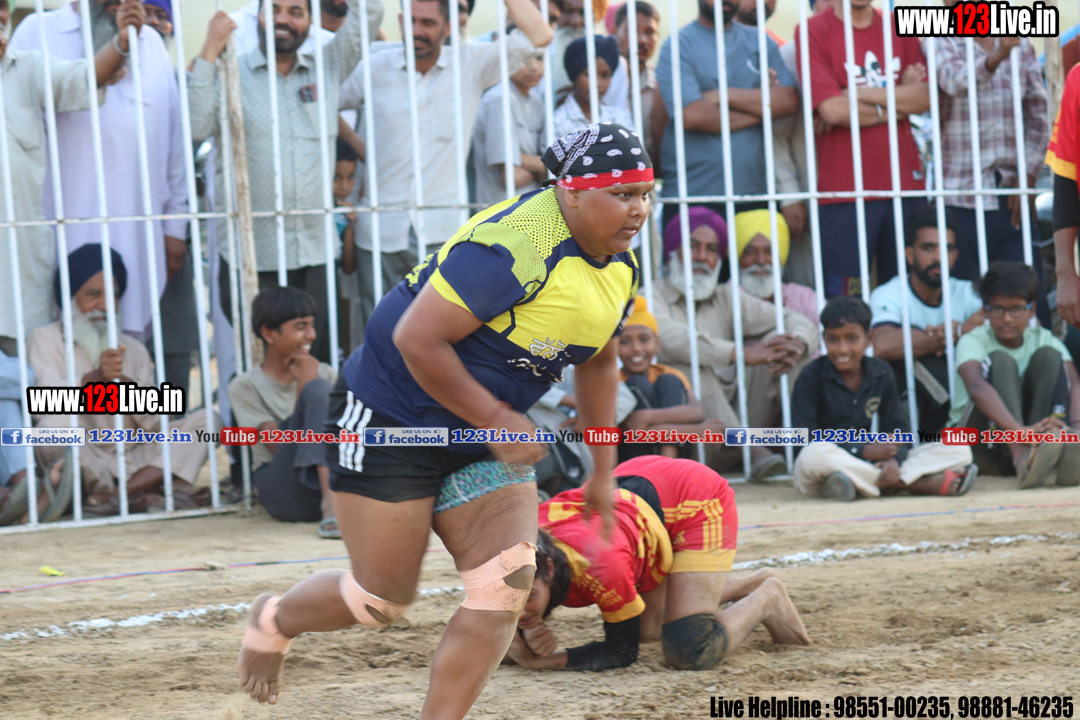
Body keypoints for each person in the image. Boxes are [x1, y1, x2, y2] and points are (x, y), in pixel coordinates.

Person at [233, 124, 648, 716]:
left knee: (504, 588)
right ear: (571, 193)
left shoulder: (620, 266)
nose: (638, 210)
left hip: (482, 436)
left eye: (644, 194)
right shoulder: (513, 246)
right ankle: (273, 619)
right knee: (380, 601)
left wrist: (603, 470)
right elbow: (415, 339)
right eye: (622, 194)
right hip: (390, 417)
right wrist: (496, 416)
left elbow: (600, 360)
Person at [337, 0, 553, 338]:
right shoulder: (375, 68)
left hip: (441, 230)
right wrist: (357, 145)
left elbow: (539, 35)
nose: (417, 31)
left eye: (428, 23)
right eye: (411, 21)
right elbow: (326, 101)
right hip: (380, 226)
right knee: (379, 332)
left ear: (448, 27)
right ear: (400, 22)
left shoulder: (471, 63)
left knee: (436, 337)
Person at [189, 0, 383, 363]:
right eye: (274, 9)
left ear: (310, 20)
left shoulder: (327, 66)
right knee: (262, 363)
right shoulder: (231, 71)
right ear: (258, 16)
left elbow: (369, 14)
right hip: (252, 252)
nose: (283, 19)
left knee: (314, 359)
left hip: (314, 249)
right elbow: (196, 127)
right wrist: (209, 50)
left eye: (295, 12)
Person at [509, 455, 810, 671]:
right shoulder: (512, 548)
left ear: (550, 570)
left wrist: (540, 660)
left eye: (530, 596)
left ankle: (768, 597)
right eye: (514, 598)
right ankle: (747, 583)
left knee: (689, 648)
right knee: (647, 630)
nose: (519, 610)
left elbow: (622, 651)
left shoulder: (600, 568)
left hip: (694, 499)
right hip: (634, 494)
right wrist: (525, 629)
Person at [10, 0, 191, 340]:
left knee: (128, 355)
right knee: (57, 353)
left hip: (137, 232)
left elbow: (174, 142)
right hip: (57, 229)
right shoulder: (38, 32)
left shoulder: (151, 43)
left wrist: (175, 227)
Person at [27, 245, 218, 516]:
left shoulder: (133, 348)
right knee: (50, 430)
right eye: (93, 294)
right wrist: (92, 379)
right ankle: (140, 493)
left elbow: (157, 424)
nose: (105, 306)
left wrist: (126, 387)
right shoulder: (45, 340)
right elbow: (43, 408)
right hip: (88, 458)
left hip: (139, 455)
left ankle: (115, 497)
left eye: (113, 295)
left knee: (208, 421)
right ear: (70, 297)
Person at [0, 0, 135, 356]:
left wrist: (121, 43)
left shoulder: (26, 69)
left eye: (2, 6)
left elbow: (85, 78)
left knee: (22, 380)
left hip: (16, 277)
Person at [653, 207, 817, 478]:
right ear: (673, 251)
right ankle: (748, 448)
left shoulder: (726, 297)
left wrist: (798, 342)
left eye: (711, 249)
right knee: (688, 363)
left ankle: (808, 454)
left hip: (746, 417)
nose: (702, 257)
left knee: (781, 346)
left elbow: (793, 318)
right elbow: (668, 338)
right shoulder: (651, 296)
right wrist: (738, 354)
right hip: (696, 438)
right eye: (692, 246)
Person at [794, 0, 929, 298]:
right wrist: (898, 98)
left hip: (904, 187)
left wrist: (852, 94)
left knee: (906, 298)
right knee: (847, 297)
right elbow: (832, 111)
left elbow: (926, 97)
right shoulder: (812, 31)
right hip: (843, 192)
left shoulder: (899, 26)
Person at [792, 295, 976, 501]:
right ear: (824, 338)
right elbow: (803, 438)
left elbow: (897, 428)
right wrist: (862, 450)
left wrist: (894, 460)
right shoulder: (811, 376)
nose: (842, 349)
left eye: (852, 339)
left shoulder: (880, 372)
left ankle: (864, 482)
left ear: (869, 338)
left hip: (867, 463)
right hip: (834, 460)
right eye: (833, 339)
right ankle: (910, 484)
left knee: (960, 449)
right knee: (812, 455)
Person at [655, 0, 797, 232]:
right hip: (692, 195)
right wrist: (763, 109)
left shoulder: (760, 41)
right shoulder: (678, 45)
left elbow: (788, 101)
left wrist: (723, 95)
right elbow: (692, 115)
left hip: (755, 193)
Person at [933, 27, 1049, 288]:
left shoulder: (1019, 42)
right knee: (966, 297)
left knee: (1024, 293)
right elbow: (955, 82)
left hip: (1010, 193)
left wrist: (1028, 175)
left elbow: (1039, 117)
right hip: (959, 194)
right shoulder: (941, 40)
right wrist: (997, 57)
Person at [951, 262, 1080, 489]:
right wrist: (1018, 432)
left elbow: (1074, 383)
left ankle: (1047, 450)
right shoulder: (973, 340)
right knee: (1000, 361)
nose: (1007, 318)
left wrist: (1076, 428)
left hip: (1030, 435)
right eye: (998, 309)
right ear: (985, 310)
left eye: (1017, 309)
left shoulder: (1042, 337)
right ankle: (1022, 456)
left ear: (1032, 309)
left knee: (1050, 357)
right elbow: (976, 386)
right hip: (979, 443)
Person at [228, 288, 339, 535]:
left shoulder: (325, 372)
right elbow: (277, 445)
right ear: (269, 333)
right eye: (300, 327)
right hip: (284, 492)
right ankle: (333, 506)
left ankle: (335, 500)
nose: (311, 335)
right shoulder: (245, 386)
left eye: (311, 325)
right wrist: (306, 385)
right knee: (318, 388)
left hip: (329, 484)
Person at [869, 206, 986, 434]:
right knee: (909, 342)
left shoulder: (967, 292)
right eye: (928, 248)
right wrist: (950, 335)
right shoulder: (889, 293)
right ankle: (961, 420)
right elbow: (881, 345)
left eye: (947, 249)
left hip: (962, 385)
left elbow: (1000, 320)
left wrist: (941, 337)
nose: (938, 258)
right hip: (909, 400)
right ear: (909, 255)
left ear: (955, 255)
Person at [618, 296, 723, 462]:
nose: (636, 348)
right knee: (637, 383)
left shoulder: (668, 373)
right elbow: (629, 431)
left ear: (657, 343)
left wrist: (647, 417)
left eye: (644, 340)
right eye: (625, 342)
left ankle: (667, 465)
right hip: (633, 459)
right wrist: (697, 431)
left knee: (669, 381)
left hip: (674, 456)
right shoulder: (614, 379)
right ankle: (661, 469)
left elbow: (696, 412)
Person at [472, 49, 547, 208]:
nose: (534, 67)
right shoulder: (499, 100)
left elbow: (548, 174)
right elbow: (513, 177)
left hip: (531, 207)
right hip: (501, 210)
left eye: (540, 58)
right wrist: (542, 166)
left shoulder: (536, 102)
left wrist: (523, 161)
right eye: (524, 59)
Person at [733, 209, 817, 324]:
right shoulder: (723, 301)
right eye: (750, 252)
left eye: (769, 252)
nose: (761, 261)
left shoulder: (803, 298)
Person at [606, 1, 661, 154]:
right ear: (614, 31)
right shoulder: (596, 79)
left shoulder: (662, 81)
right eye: (632, 30)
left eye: (649, 32)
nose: (642, 39)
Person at [552, 35, 633, 138]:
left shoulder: (619, 119)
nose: (598, 83)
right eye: (589, 75)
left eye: (605, 75)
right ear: (574, 75)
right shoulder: (557, 122)